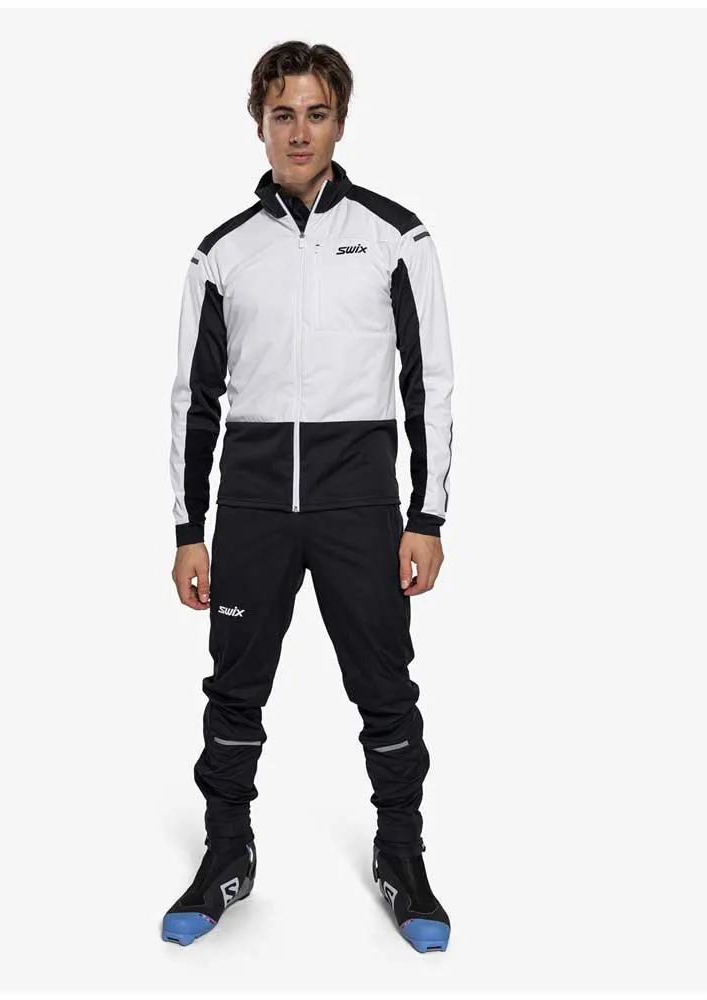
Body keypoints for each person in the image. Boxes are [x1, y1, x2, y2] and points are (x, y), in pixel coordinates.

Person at [163, 40, 454, 953]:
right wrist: (189, 529)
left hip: (358, 505)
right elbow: (194, 398)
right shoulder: (222, 253)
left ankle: (402, 856)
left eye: (316, 113)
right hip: (251, 508)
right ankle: (226, 853)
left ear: (340, 123)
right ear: (259, 122)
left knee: (385, 689)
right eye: (282, 114)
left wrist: (427, 515)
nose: (299, 131)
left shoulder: (396, 237)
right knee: (234, 689)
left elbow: (429, 385)